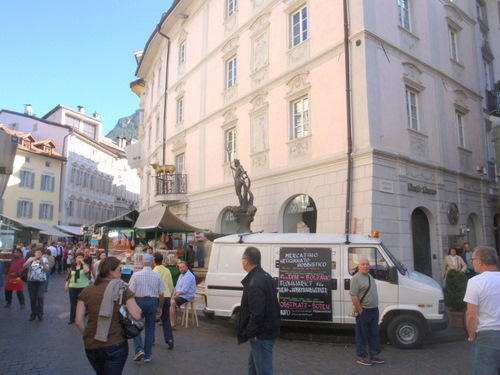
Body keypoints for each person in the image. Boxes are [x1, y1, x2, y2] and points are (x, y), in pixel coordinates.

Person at [76, 257, 142, 375]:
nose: (121, 272)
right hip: (115, 342)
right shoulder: (122, 288)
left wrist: (88, 334)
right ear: (111, 271)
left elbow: (78, 321)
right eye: (119, 269)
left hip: (92, 344)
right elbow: (136, 315)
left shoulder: (87, 291)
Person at [237, 246, 281, 375]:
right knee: (253, 368)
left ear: (246, 261)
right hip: (268, 330)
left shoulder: (255, 282)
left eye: (242, 259)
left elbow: (257, 312)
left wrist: (251, 333)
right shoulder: (266, 276)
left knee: (263, 370)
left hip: (262, 334)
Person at [463, 246, 500, 375]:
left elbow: (471, 316)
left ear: (480, 262)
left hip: (487, 337)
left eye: (472, 259)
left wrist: (472, 336)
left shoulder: (475, 282)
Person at [128, 253, 165, 363]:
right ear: (152, 263)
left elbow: (130, 291)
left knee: (135, 326)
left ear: (142, 263)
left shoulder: (136, 275)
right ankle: (148, 355)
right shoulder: (157, 276)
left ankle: (139, 349)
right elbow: (161, 294)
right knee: (150, 328)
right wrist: (160, 307)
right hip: (152, 301)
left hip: (139, 300)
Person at [350, 258, 385, 366]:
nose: (365, 266)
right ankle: (362, 356)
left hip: (374, 310)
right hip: (364, 311)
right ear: (359, 266)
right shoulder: (356, 278)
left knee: (374, 334)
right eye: (363, 264)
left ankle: (374, 355)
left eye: (367, 264)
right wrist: (361, 310)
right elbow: (353, 296)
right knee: (362, 335)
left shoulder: (369, 276)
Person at [153, 252, 174, 349]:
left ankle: (151, 339)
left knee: (152, 319)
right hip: (166, 296)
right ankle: (169, 339)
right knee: (166, 319)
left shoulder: (153, 272)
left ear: (153, 261)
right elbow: (170, 285)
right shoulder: (167, 270)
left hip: (156, 297)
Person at [24, 248, 49, 321]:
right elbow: (24, 266)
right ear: (34, 253)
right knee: (33, 298)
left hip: (41, 281)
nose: (38, 254)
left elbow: (47, 270)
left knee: (40, 296)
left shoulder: (45, 259)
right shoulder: (31, 259)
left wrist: (43, 263)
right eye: (37, 252)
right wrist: (30, 261)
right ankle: (33, 314)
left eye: (39, 252)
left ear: (42, 253)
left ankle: (40, 314)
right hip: (31, 281)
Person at [65, 252, 90, 324]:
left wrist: (82, 263)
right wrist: (66, 284)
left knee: (81, 303)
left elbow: (87, 271)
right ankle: (72, 318)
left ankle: (81, 317)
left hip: (82, 287)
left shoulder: (85, 265)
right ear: (75, 258)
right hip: (73, 286)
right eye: (78, 257)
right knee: (73, 303)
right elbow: (69, 275)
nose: (79, 259)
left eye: (81, 257)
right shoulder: (73, 266)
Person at [169, 261, 196, 328]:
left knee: (171, 302)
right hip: (180, 294)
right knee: (167, 300)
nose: (181, 269)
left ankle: (172, 323)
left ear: (186, 267)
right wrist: (173, 295)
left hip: (187, 295)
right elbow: (176, 287)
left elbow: (184, 291)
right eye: (180, 267)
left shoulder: (189, 276)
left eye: (183, 267)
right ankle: (168, 320)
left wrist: (174, 297)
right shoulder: (181, 275)